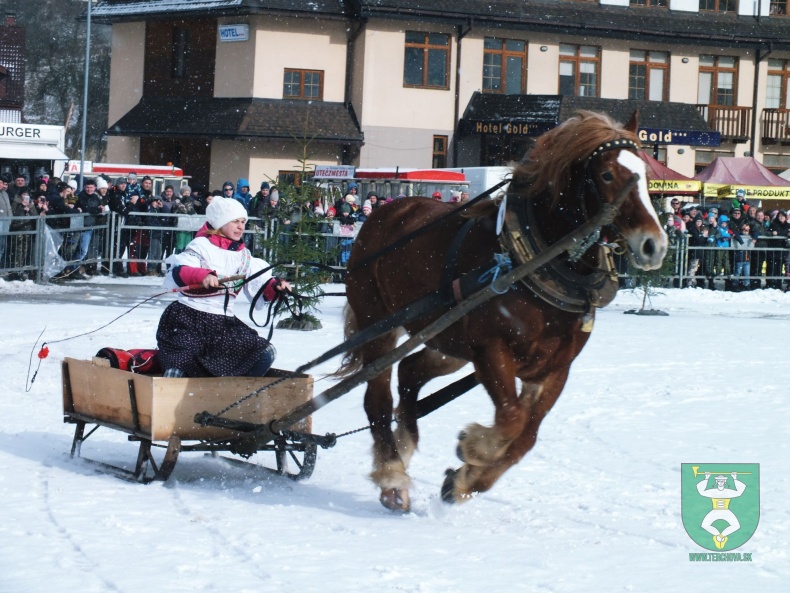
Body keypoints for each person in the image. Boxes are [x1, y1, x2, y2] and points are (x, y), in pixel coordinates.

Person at [156, 198, 291, 378]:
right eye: (235, 221)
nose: (240, 226)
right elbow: (181, 271)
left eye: (243, 222)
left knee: (265, 353)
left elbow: (261, 284)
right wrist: (203, 275)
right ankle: (168, 402)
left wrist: (276, 288)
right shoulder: (201, 246)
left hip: (222, 324)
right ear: (220, 223)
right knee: (179, 366)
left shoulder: (244, 256)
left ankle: (235, 398)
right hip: (189, 319)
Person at [731, 222, 754, 291]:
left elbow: (756, 232)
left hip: (747, 258)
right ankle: (735, 285)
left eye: (747, 230)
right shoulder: (738, 235)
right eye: (743, 229)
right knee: (737, 272)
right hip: (739, 258)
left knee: (747, 273)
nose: (745, 231)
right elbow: (736, 233)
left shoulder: (750, 236)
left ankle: (747, 285)